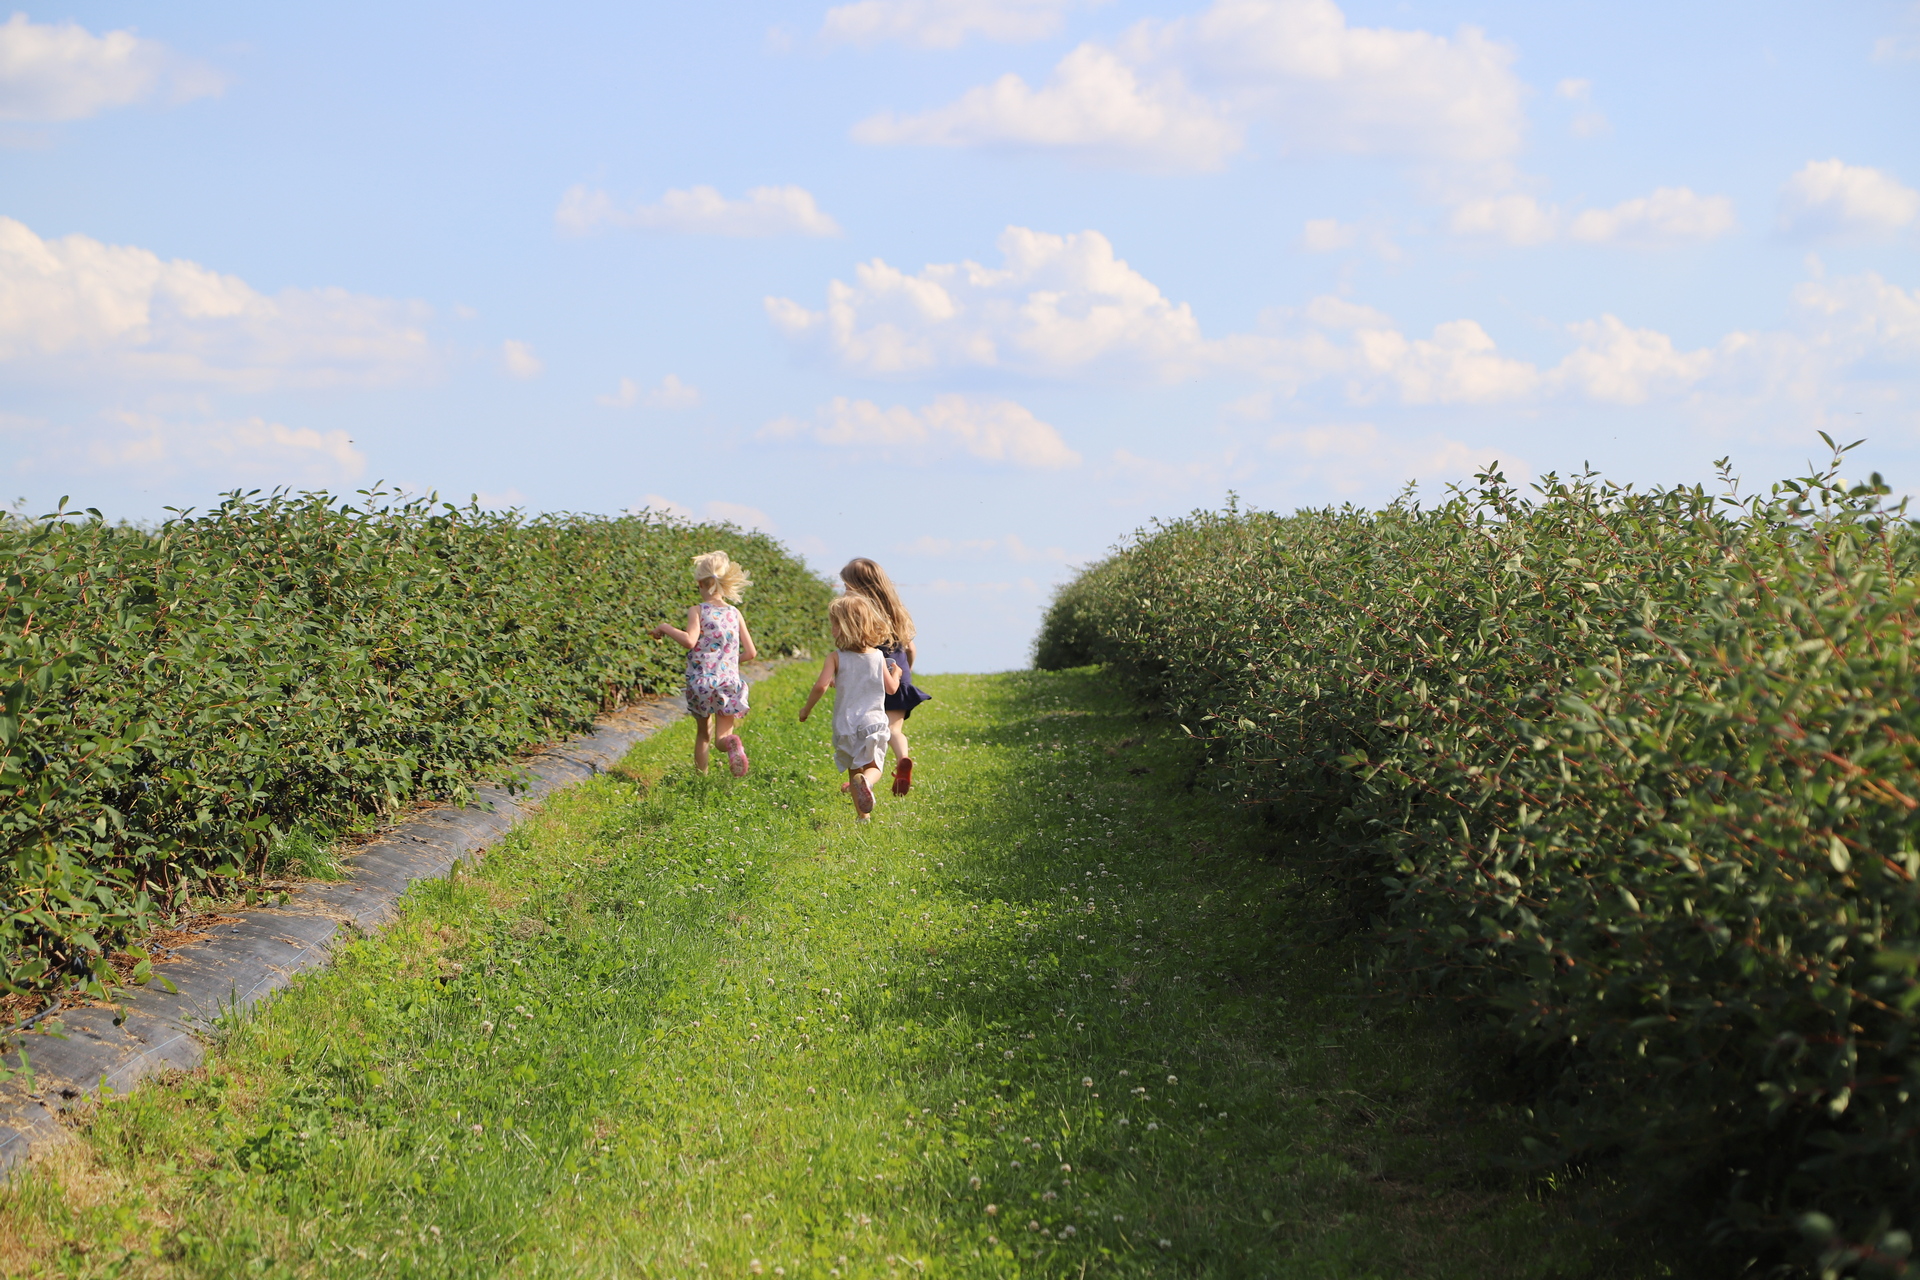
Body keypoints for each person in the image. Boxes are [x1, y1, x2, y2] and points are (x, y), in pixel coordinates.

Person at [651, 550, 758, 776]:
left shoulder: (697, 610)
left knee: (703, 734)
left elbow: (690, 641)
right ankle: (731, 744)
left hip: (701, 682)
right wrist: (729, 662)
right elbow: (751, 653)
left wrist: (665, 627)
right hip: (728, 682)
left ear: (700, 583)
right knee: (722, 738)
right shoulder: (735, 613)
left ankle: (702, 777)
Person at [798, 594, 901, 821]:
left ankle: (863, 817)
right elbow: (892, 688)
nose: (832, 628)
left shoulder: (835, 657)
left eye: (834, 624)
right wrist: (897, 673)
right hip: (872, 722)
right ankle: (869, 782)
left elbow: (821, 686)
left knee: (854, 770)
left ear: (843, 627)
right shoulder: (878, 656)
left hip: (846, 724)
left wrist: (806, 709)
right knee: (874, 766)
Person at [839, 557, 930, 796]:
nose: (844, 591)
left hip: (871, 679)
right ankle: (903, 759)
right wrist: (906, 673)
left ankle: (863, 777)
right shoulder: (895, 611)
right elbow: (910, 648)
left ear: (856, 586)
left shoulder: (860, 613)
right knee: (894, 730)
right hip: (898, 677)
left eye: (846, 585)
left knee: (867, 733)